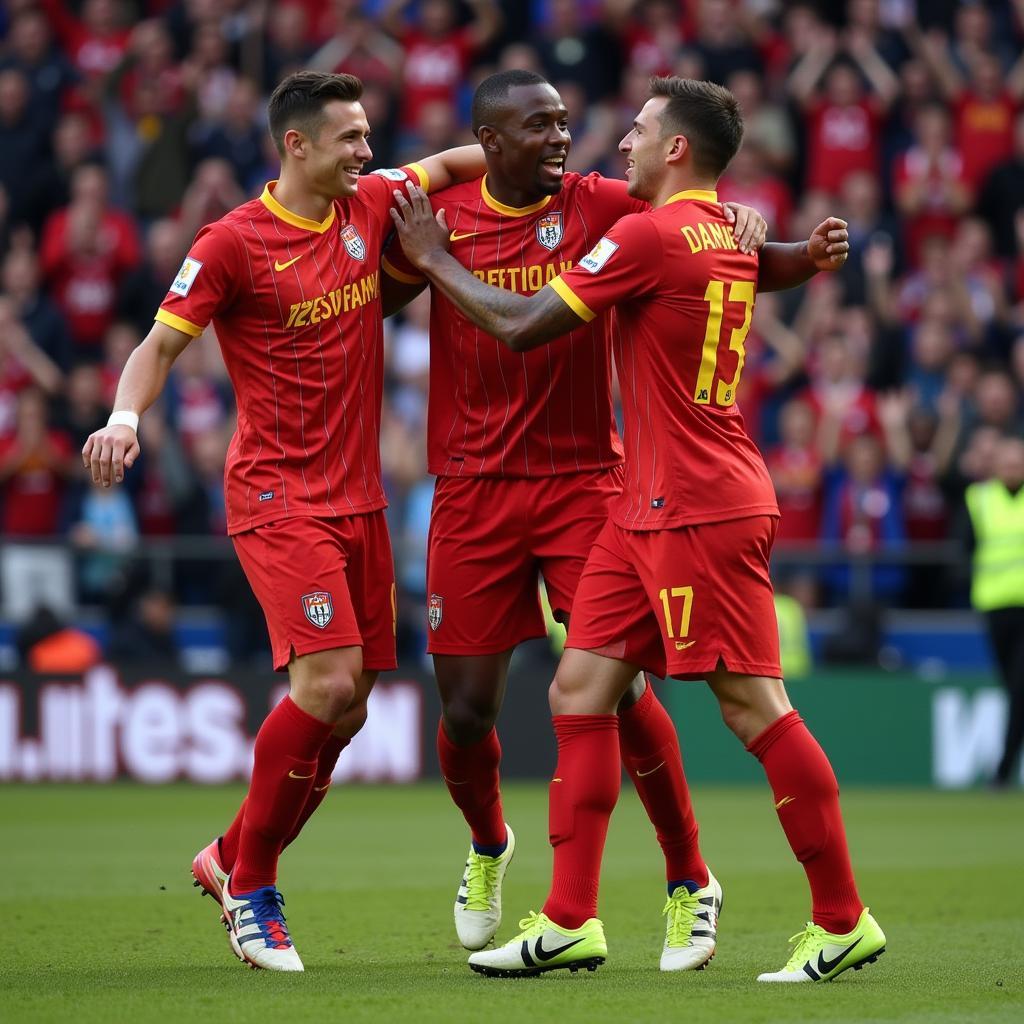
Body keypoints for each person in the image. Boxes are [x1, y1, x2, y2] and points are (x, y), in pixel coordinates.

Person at [391, 75, 885, 983]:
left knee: (751, 706)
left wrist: (433, 260)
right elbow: (739, 251)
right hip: (640, 505)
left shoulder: (646, 231)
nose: (617, 142)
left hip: (697, 502)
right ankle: (572, 918)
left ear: (677, 151)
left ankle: (840, 916)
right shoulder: (704, 227)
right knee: (579, 691)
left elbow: (525, 324)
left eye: (640, 131)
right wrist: (802, 255)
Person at [81, 70, 487, 972]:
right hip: (277, 493)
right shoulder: (231, 244)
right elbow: (157, 346)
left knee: (351, 709)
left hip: (363, 500)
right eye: (350, 137)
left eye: (369, 135)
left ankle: (225, 854)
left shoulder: (372, 203)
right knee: (327, 684)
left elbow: (464, 159)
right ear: (296, 144)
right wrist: (123, 418)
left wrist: (546, 168)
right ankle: (253, 887)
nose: (367, 151)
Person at [964, 435, 1024, 789]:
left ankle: (1002, 771)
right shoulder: (979, 499)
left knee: (1020, 687)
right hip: (996, 608)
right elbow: (965, 548)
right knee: (1013, 687)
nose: (1013, 470)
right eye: (1007, 463)